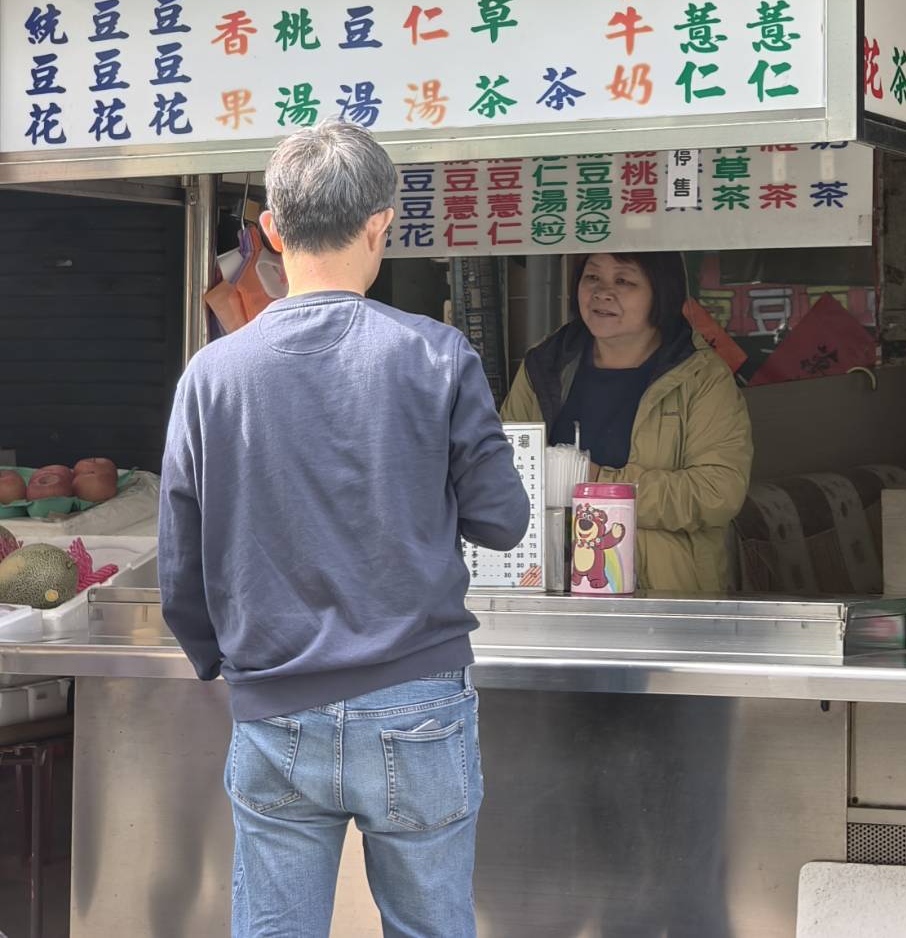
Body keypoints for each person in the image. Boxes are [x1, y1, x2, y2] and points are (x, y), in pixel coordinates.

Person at [158, 121, 528, 938]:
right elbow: (503, 521)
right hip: (418, 703)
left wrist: (220, 662)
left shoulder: (211, 375)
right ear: (379, 226)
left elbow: (180, 561)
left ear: (272, 232)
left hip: (273, 705)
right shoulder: (436, 355)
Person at [501, 251, 751, 592]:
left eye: (624, 280)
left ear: (661, 293)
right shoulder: (544, 365)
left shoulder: (700, 376)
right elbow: (504, 466)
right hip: (549, 585)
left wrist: (597, 485)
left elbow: (717, 493)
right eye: (592, 278)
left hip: (666, 594)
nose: (603, 293)